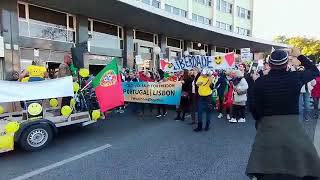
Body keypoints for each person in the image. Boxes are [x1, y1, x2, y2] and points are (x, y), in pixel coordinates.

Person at [247, 49, 320, 180]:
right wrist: (299, 55)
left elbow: (253, 106)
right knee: (309, 158)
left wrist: (260, 121)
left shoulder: (260, 82)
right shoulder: (295, 77)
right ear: (287, 64)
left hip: (267, 125)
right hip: (292, 126)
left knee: (260, 163)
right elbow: (315, 71)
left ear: (269, 64)